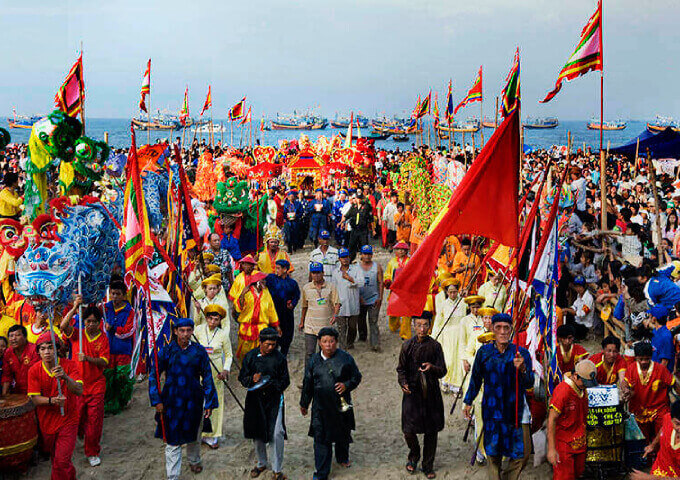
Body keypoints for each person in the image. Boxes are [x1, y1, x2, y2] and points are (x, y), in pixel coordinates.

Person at [463, 313, 534, 480]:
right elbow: (475, 379)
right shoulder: (484, 353)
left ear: (511, 330)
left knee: (522, 454)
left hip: (516, 411)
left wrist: (523, 369)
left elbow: (529, 383)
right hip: (492, 410)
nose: (502, 332)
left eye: (506, 328)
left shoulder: (521, 353)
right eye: (498, 328)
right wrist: (468, 401)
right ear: (492, 330)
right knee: (493, 453)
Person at [148, 317, 219, 479]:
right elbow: (154, 375)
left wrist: (209, 401)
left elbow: (207, 376)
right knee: (172, 439)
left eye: (188, 330)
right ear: (175, 331)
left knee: (194, 432)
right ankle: (173, 476)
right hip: (171, 401)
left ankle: (194, 460)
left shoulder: (199, 351)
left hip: (194, 400)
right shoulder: (166, 351)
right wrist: (156, 400)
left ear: (193, 331)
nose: (185, 334)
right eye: (182, 331)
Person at [300, 327, 362, 480]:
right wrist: (304, 403)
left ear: (336, 342)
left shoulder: (346, 358)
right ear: (319, 343)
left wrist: (346, 385)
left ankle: (342, 457)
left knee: (342, 432)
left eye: (331, 341)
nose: (328, 345)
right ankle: (321, 473)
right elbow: (307, 383)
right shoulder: (313, 360)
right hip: (320, 407)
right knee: (321, 439)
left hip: (341, 405)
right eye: (325, 341)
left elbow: (357, 377)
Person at [60, 301, 110, 467]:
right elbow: (63, 325)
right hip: (78, 385)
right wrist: (75, 307)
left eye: (94, 321)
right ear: (84, 322)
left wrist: (87, 358)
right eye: (88, 321)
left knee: (94, 421)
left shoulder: (103, 338)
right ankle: (82, 435)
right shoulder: (77, 335)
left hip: (96, 385)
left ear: (99, 322)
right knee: (77, 418)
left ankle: (92, 451)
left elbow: (104, 362)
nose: (91, 324)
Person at [397, 312, 446, 479]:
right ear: (413, 325)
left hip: (431, 393)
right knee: (408, 430)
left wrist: (432, 367)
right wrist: (403, 382)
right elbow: (401, 369)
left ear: (430, 326)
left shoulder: (435, 346)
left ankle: (428, 465)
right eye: (419, 325)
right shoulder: (407, 346)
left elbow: (443, 371)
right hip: (412, 393)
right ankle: (414, 455)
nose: (422, 329)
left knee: (431, 431)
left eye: (425, 325)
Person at [28, 332, 83, 480]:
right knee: (57, 460)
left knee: (61, 461)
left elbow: (79, 390)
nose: (47, 352)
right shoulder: (33, 370)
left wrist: (65, 377)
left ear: (57, 349)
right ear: (38, 352)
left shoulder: (69, 365)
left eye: (50, 348)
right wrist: (53, 401)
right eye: (43, 349)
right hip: (47, 422)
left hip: (68, 419)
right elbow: (34, 399)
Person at [239, 328, 290, 480]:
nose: (271, 348)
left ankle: (277, 469)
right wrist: (252, 379)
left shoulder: (280, 358)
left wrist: (270, 383)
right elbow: (243, 378)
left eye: (273, 344)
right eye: (267, 344)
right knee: (257, 432)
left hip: (275, 400)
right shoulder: (250, 356)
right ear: (260, 342)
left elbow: (285, 381)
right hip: (255, 400)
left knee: (277, 433)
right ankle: (261, 463)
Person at [547, 360, 597, 480]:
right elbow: (552, 420)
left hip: (579, 443)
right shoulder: (563, 391)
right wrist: (551, 449)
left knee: (578, 474)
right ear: (575, 376)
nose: (586, 386)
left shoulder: (582, 389)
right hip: (564, 445)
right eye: (584, 382)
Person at [623, 341, 680, 442]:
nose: (644, 362)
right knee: (642, 441)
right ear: (636, 357)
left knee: (663, 436)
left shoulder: (660, 369)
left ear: (651, 357)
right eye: (641, 359)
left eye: (647, 359)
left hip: (659, 410)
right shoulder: (631, 369)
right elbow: (625, 382)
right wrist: (625, 390)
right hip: (639, 410)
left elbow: (674, 383)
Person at [194, 304, 233, 449]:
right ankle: (197, 433)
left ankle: (212, 435)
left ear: (219, 321)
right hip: (198, 371)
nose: (212, 322)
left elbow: (229, 355)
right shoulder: (198, 331)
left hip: (216, 372)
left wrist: (226, 370)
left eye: (216, 319)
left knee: (215, 403)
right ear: (206, 318)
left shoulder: (223, 335)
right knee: (198, 401)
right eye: (210, 318)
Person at [103, 278, 135, 415]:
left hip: (123, 349)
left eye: (118, 294)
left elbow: (130, 330)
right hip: (107, 350)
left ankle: (123, 400)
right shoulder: (105, 307)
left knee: (122, 376)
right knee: (109, 377)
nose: (115, 297)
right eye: (112, 293)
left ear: (124, 295)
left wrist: (113, 328)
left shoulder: (130, 311)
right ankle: (110, 405)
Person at [234, 271, 281, 361]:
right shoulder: (246, 292)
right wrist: (242, 295)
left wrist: (277, 326)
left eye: (264, 280)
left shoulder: (266, 292)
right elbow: (238, 308)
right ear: (257, 282)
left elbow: (271, 310)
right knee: (245, 353)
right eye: (262, 280)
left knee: (262, 352)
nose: (265, 282)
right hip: (247, 328)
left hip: (261, 327)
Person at [300, 262, 341, 365]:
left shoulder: (331, 287)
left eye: (318, 273)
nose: (316, 275)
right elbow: (304, 306)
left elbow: (337, 303)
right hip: (310, 327)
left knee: (326, 352)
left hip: (326, 326)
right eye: (313, 273)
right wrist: (302, 322)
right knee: (309, 353)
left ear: (323, 273)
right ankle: (309, 374)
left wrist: (335, 315)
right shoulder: (306, 288)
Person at [630, 401, 680, 479]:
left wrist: (650, 478)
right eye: (677, 424)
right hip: (658, 470)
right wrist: (653, 445)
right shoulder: (667, 419)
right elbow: (663, 428)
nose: (679, 428)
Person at [433, 278, 467, 393]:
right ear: (447, 293)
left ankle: (456, 386)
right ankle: (445, 381)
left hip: (460, 334)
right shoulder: (443, 305)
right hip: (448, 335)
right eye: (450, 292)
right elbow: (438, 322)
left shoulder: (463, 303)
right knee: (448, 359)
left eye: (455, 291)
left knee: (458, 359)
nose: (453, 294)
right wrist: (434, 337)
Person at [266, 259, 301, 357]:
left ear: (285, 269)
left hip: (287, 313)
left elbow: (296, 295)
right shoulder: (271, 279)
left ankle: (284, 353)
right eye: (275, 268)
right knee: (273, 331)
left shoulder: (292, 283)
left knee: (287, 332)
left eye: (278, 268)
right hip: (274, 312)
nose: (276, 270)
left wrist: (292, 304)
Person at [332, 248, 361, 350]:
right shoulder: (335, 272)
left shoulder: (356, 269)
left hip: (353, 303)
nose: (345, 259)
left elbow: (361, 282)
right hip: (340, 304)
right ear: (339, 259)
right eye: (342, 257)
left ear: (349, 257)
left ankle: (350, 342)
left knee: (352, 327)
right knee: (341, 328)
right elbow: (333, 288)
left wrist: (350, 279)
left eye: (346, 257)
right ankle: (343, 347)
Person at [356, 245, 384, 351]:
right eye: (365, 254)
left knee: (373, 321)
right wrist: (358, 297)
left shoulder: (377, 267)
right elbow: (354, 284)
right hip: (361, 298)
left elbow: (381, 283)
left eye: (369, 254)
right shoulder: (356, 267)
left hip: (374, 298)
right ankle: (362, 336)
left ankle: (375, 344)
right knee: (361, 319)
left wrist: (380, 297)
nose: (367, 256)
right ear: (361, 255)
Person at [1, 324, 39, 395]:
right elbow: (7, 375)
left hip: (34, 390)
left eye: (17, 335)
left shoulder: (34, 350)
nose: (13, 338)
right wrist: (4, 395)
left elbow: (36, 375)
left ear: (25, 337)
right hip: (17, 391)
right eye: (11, 336)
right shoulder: (8, 352)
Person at [385, 242, 412, 340]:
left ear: (406, 251)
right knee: (393, 309)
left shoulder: (410, 261)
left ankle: (405, 333)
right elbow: (388, 273)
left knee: (406, 312)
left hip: (406, 290)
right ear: (395, 250)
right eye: (398, 249)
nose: (400, 251)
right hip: (395, 290)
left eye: (403, 249)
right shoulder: (392, 262)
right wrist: (387, 280)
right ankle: (394, 326)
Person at [561, 276, 594, 340]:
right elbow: (574, 306)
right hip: (577, 322)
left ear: (584, 287)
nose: (578, 289)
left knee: (570, 329)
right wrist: (568, 310)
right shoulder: (579, 295)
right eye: (576, 287)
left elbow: (582, 314)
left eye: (580, 286)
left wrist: (568, 310)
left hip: (584, 325)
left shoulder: (589, 298)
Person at [647, 304, 675, 372]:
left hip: (660, 375)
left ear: (654, 318)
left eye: (650, 316)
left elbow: (664, 362)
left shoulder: (665, 336)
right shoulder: (656, 331)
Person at [344, 193, 373, 261]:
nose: (359, 200)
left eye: (360, 198)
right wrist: (342, 222)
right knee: (352, 244)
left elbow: (370, 218)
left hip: (363, 229)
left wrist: (373, 229)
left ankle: (365, 259)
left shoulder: (366, 207)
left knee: (364, 244)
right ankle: (351, 258)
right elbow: (347, 215)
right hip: (354, 229)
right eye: (357, 198)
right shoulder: (353, 207)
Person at [283, 190, 303, 254]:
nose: (291, 198)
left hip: (295, 221)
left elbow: (301, 212)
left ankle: (294, 247)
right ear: (288, 198)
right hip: (288, 222)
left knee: (295, 235)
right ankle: (289, 249)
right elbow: (283, 213)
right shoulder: (286, 205)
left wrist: (296, 215)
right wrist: (286, 217)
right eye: (290, 197)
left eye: (292, 197)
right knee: (288, 235)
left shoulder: (298, 204)